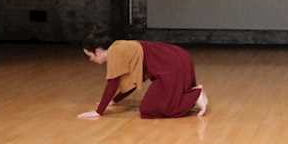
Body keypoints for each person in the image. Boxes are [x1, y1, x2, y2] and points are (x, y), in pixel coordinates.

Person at [78, 30, 208, 119]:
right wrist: (114, 100)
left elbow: (112, 83)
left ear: (98, 51)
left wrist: (98, 111)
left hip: (172, 65)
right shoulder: (119, 48)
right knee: (154, 105)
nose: (90, 60)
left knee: (150, 109)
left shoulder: (115, 52)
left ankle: (195, 96)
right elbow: (135, 81)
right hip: (179, 58)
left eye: (89, 56)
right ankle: (193, 93)